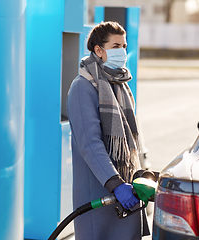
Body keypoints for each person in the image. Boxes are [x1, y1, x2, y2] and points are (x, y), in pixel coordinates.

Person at [67, 21, 150, 240]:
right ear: (98, 50)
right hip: (100, 190)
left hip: (126, 190)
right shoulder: (83, 87)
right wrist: (116, 185)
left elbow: (131, 138)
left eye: (124, 45)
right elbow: (90, 145)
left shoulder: (119, 83)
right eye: (115, 46)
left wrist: (140, 175)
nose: (122, 51)